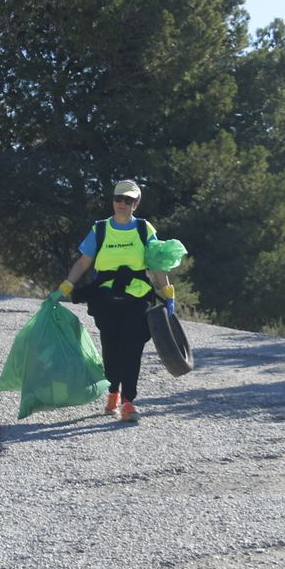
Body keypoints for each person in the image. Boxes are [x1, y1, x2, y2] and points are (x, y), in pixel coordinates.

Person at [53, 179, 175, 422]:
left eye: (128, 200)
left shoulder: (144, 229)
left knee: (132, 348)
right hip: (105, 297)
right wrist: (65, 287)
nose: (122, 203)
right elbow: (83, 262)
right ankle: (112, 393)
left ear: (136, 203)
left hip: (137, 297)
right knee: (110, 347)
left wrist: (169, 294)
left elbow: (157, 263)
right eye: (119, 199)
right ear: (113, 201)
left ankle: (129, 402)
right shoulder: (99, 229)